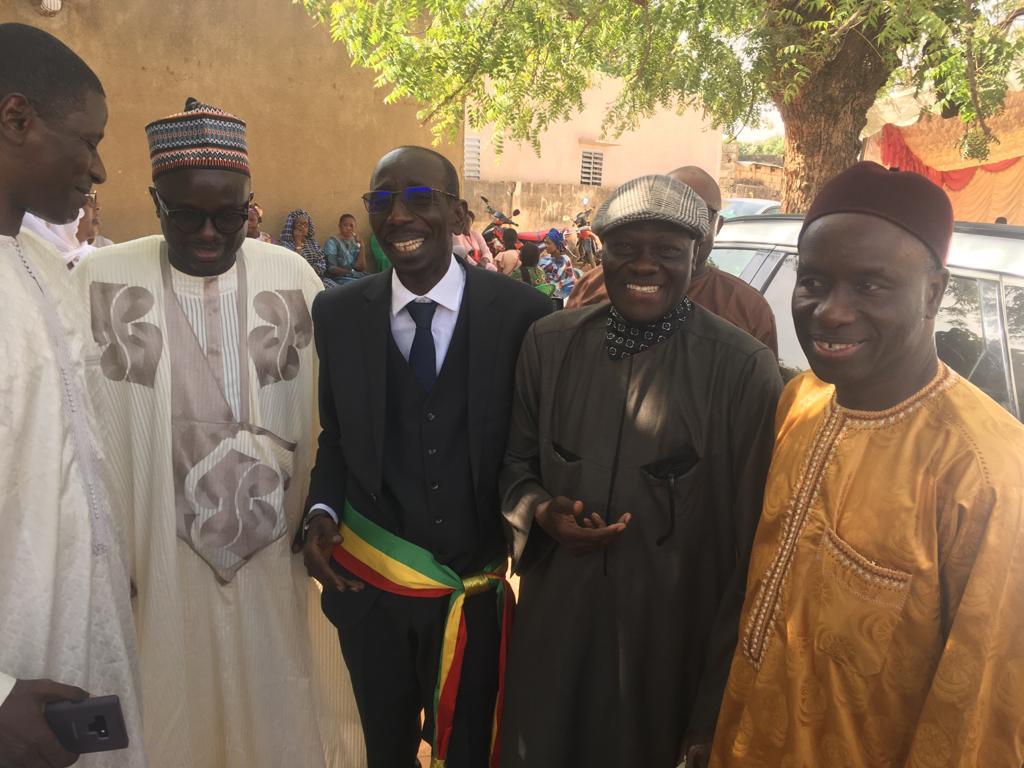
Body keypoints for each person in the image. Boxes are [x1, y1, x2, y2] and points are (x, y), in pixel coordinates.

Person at [74, 98, 359, 768]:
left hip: (272, 563)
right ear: (153, 201)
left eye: (228, 214)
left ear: (251, 204)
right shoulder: (99, 281)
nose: (209, 231)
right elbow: (77, 431)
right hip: (152, 568)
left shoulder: (292, 277)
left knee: (279, 706)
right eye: (185, 213)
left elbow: (336, 419)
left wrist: (324, 511)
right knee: (166, 712)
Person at [709, 162, 1024, 768]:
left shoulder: (987, 475)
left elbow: (979, 717)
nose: (830, 311)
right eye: (815, 281)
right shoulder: (801, 402)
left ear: (934, 292)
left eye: (870, 286)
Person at [500, 175, 783, 768]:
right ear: (599, 251)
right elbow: (516, 467)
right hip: (558, 629)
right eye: (626, 248)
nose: (644, 265)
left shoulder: (741, 369)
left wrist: (712, 710)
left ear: (698, 257)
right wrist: (541, 512)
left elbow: (748, 549)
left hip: (667, 645)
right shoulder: (549, 346)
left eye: (668, 251)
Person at [298, 146, 551, 768]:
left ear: (458, 211)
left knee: (468, 750)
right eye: (382, 201)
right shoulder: (337, 313)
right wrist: (320, 511)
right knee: (384, 751)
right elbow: (336, 435)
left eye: (420, 199)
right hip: (372, 589)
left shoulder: (523, 314)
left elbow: (535, 446)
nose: (399, 217)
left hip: (471, 593)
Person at [0, 22, 145, 768]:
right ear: (15, 119)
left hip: (81, 674)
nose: (100, 168)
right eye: (86, 141)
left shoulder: (45, 268)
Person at [567, 167, 778, 356]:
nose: (644, 266)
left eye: (701, 212)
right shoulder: (592, 287)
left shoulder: (748, 309)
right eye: (669, 206)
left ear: (718, 226)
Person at [281, 209, 340, 289]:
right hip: (297, 283)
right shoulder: (285, 244)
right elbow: (293, 265)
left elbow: (321, 262)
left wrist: (313, 273)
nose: (302, 227)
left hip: (317, 279)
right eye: (298, 224)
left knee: (338, 291)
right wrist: (298, 243)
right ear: (292, 226)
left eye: (305, 224)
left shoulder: (313, 243)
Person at [324, 213, 367, 282]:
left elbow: (360, 268)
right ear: (339, 226)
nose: (348, 228)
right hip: (338, 278)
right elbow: (331, 268)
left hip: (356, 276)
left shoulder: (355, 242)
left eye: (351, 226)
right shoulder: (332, 242)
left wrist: (362, 246)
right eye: (345, 225)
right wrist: (350, 273)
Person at [539, 227, 575, 302]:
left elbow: (555, 280)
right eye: (545, 242)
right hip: (552, 293)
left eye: (548, 243)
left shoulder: (564, 260)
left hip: (564, 294)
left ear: (556, 245)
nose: (545, 245)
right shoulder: (546, 258)